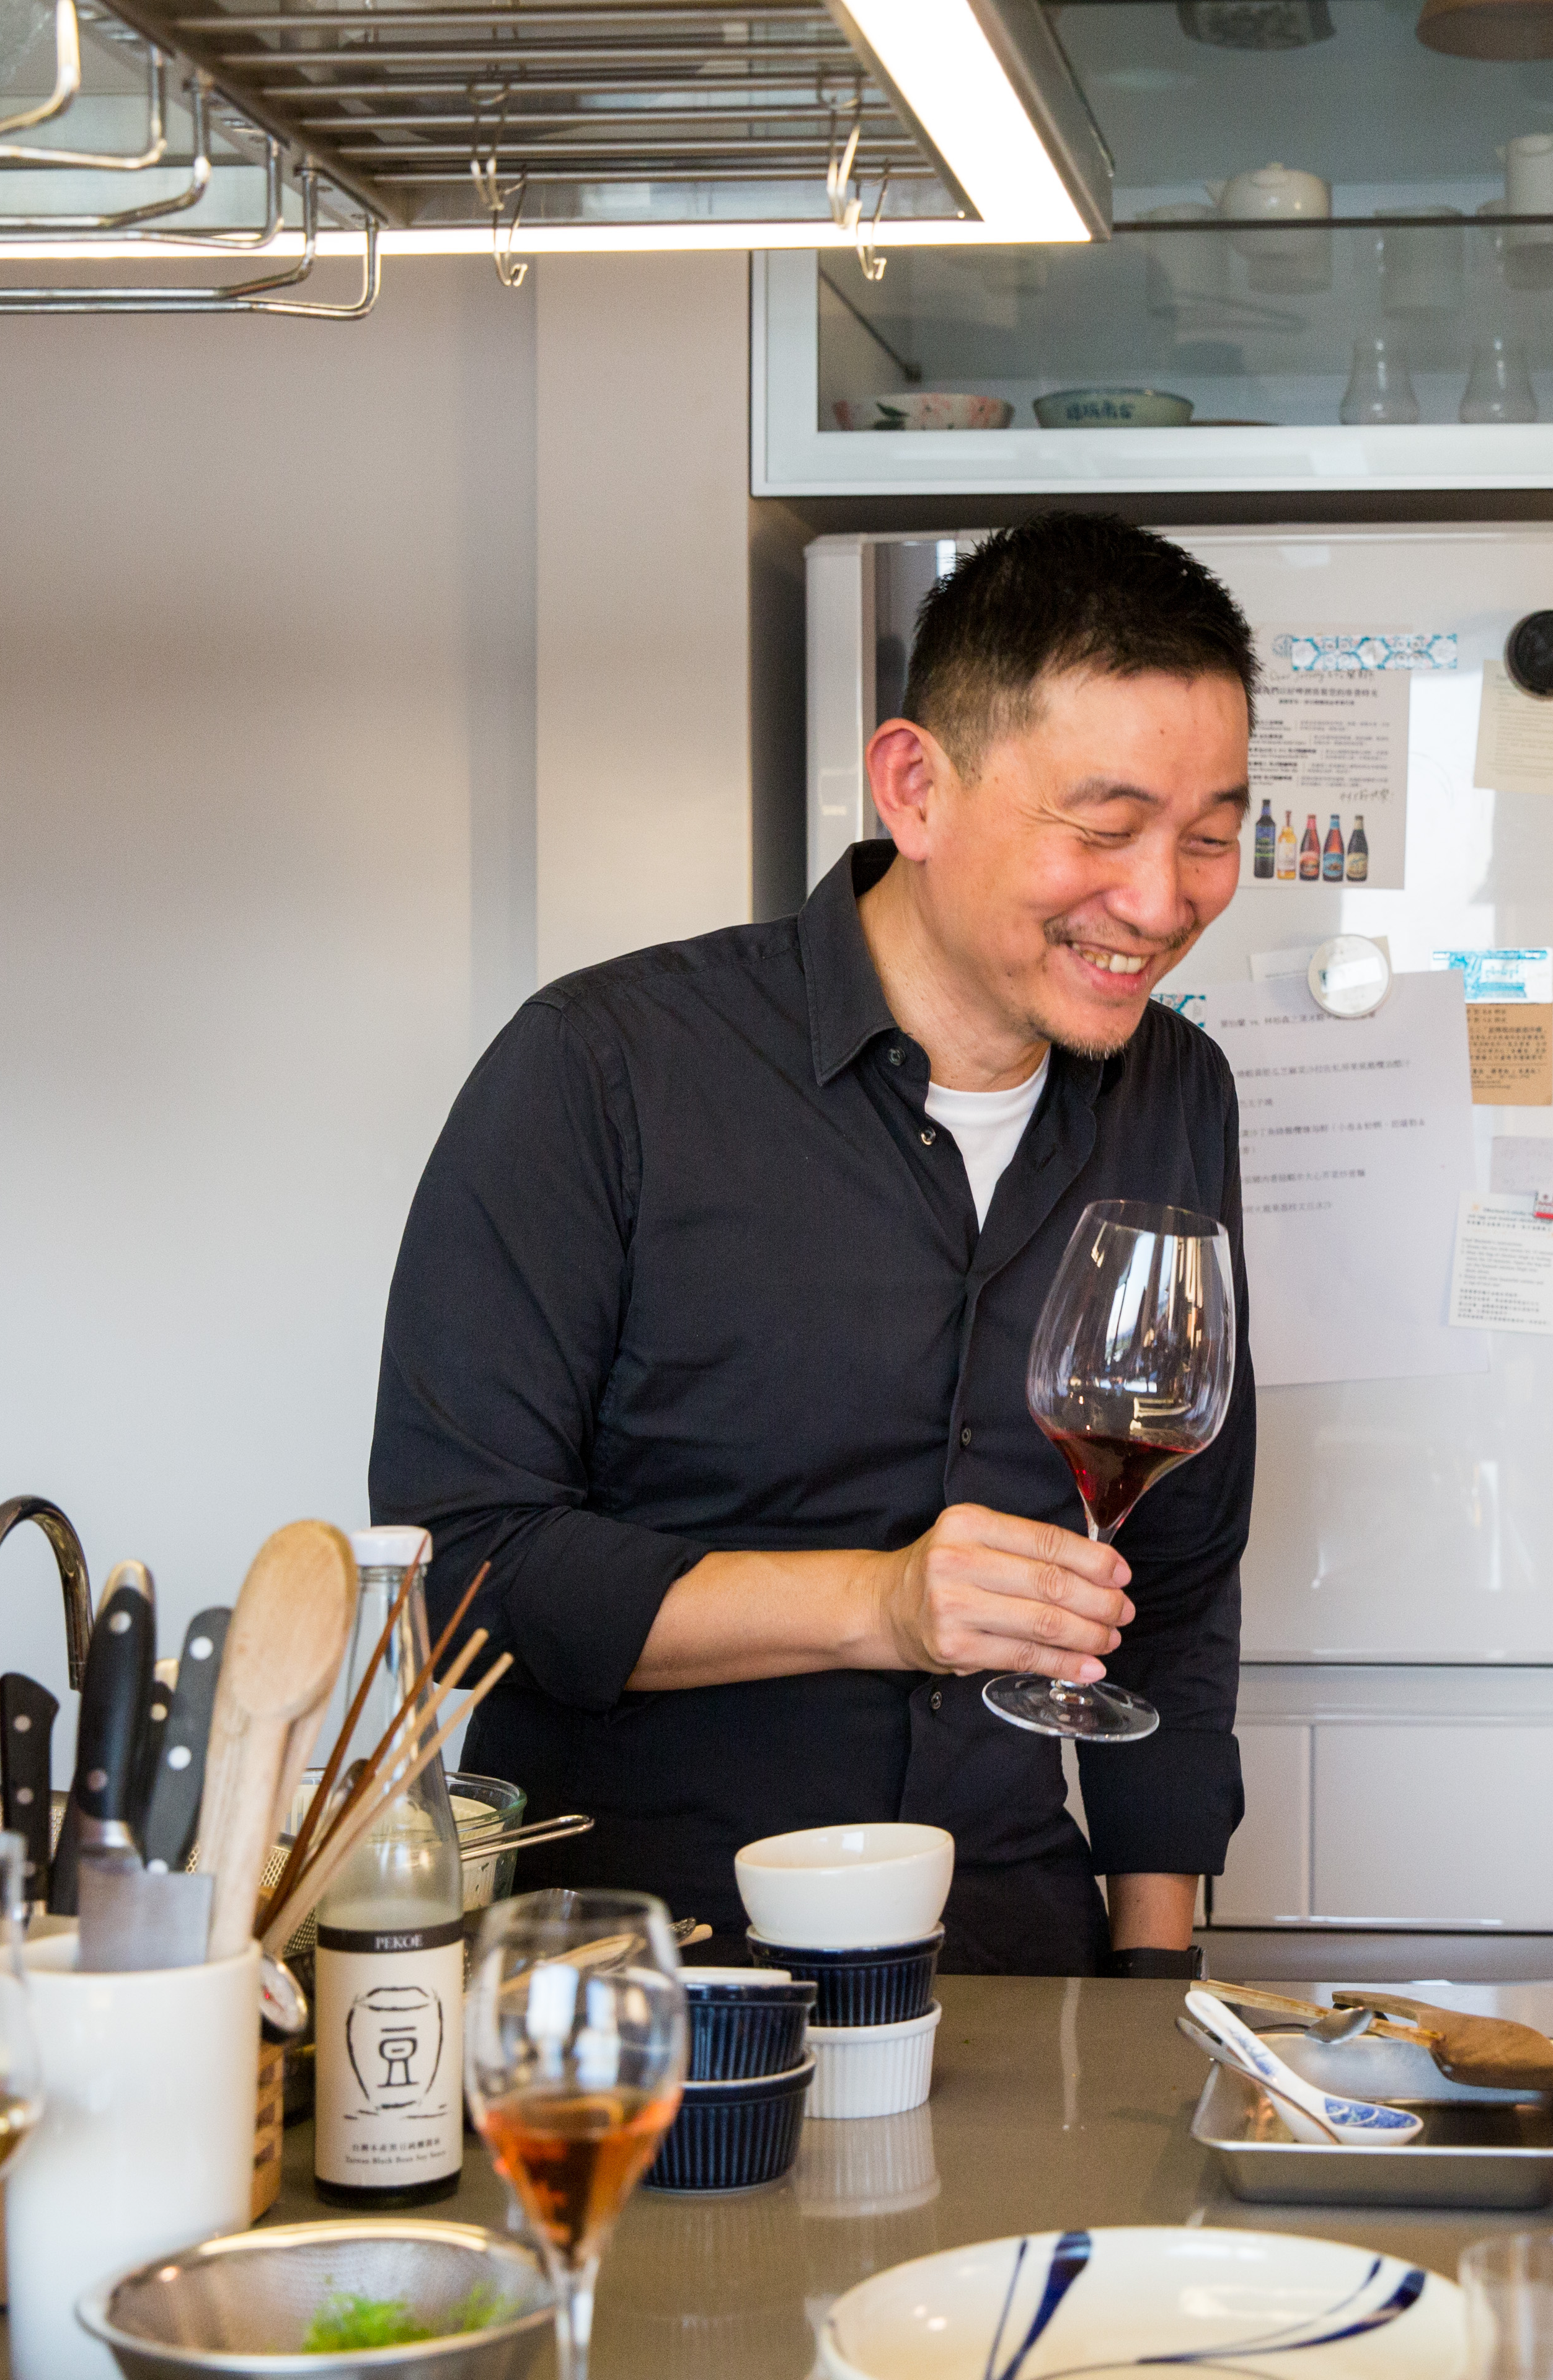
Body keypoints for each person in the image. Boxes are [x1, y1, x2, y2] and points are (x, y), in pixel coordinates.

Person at [369, 513, 1259, 1976]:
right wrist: (883, 1605)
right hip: (636, 1982)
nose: (1162, 903)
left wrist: (1152, 1975)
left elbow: (1180, 1570)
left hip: (1010, 1960)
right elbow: (469, 1572)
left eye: (1212, 837)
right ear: (916, 786)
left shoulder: (1176, 1092)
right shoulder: (605, 1069)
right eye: (1103, 830)